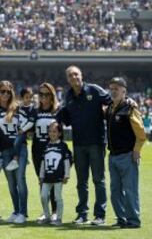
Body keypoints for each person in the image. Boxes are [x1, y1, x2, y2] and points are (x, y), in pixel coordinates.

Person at [61, 65, 110, 225]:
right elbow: (66, 119)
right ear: (67, 79)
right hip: (79, 144)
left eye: (76, 74)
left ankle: (100, 215)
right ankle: (82, 214)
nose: (74, 77)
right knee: (81, 182)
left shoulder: (94, 90)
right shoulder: (67, 96)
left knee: (98, 180)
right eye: (70, 76)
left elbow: (111, 101)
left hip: (96, 142)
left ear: (81, 75)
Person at [106, 77, 146, 228]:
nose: (114, 91)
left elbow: (141, 134)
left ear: (124, 91)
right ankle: (121, 219)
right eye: (112, 88)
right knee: (115, 192)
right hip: (113, 156)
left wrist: (136, 151)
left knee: (130, 191)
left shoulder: (130, 108)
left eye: (117, 88)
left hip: (127, 156)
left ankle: (134, 221)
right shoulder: (110, 107)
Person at [0, 80, 28, 224]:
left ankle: (23, 213)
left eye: (8, 91)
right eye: (2, 91)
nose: (5, 94)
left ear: (12, 93)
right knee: (11, 183)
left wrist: (17, 150)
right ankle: (16, 210)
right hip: (5, 150)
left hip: (20, 149)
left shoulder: (18, 108)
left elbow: (25, 129)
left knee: (20, 180)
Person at [31, 83, 62, 222]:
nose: (43, 97)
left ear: (52, 95)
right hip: (38, 150)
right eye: (41, 94)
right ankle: (46, 212)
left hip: (54, 151)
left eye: (47, 94)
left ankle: (55, 211)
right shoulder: (34, 111)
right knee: (42, 181)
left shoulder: (58, 111)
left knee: (54, 180)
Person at [38, 121, 72, 226]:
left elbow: (67, 161)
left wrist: (66, 175)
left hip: (58, 177)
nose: (52, 133)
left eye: (55, 131)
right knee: (43, 196)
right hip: (47, 177)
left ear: (60, 133)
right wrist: (41, 176)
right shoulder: (46, 146)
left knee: (57, 197)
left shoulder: (63, 146)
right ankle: (47, 216)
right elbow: (43, 162)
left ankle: (59, 218)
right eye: (50, 131)